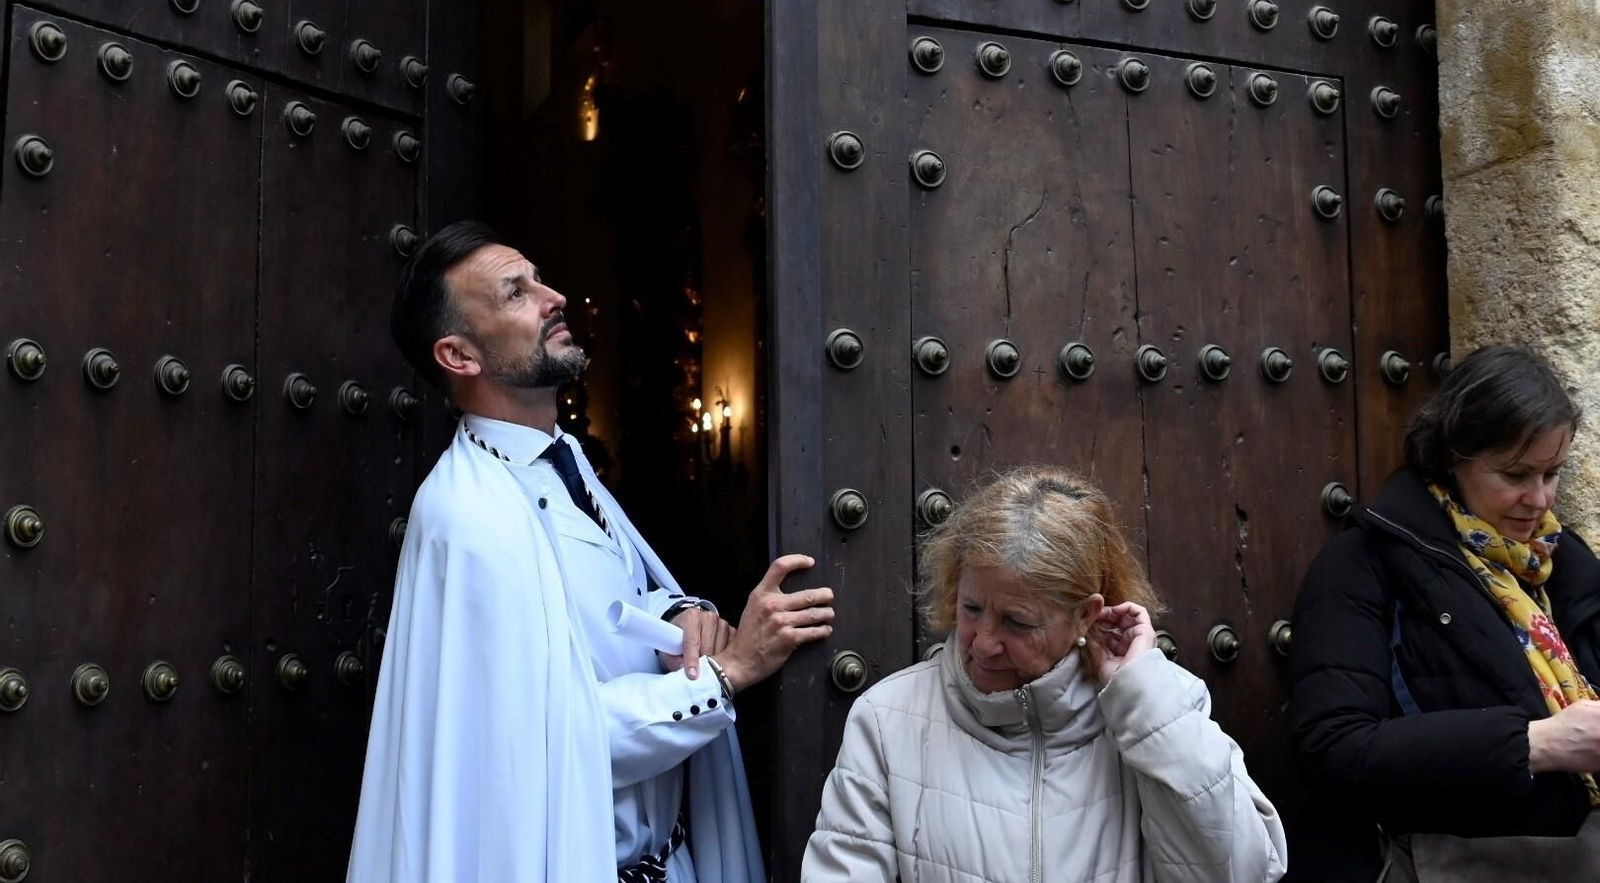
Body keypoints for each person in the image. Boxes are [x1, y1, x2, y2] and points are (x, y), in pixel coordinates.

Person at [346, 222, 836, 882]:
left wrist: (680, 619)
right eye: (517, 292)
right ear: (460, 356)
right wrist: (732, 670)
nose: (555, 297)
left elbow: (601, 612)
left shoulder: (564, 457)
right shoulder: (466, 517)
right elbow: (544, 740)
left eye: (539, 277)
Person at [802, 466, 1288, 882]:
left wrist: (1146, 706)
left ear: (1084, 615)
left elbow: (1240, 871)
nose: (984, 642)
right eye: (971, 608)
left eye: (1018, 622)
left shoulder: (1163, 705)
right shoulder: (889, 719)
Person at [1289, 343, 1600, 879]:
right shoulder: (1364, 563)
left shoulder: (1559, 558)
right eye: (1516, 475)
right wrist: (1536, 743)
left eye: (1552, 474)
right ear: (1455, 457)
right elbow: (1332, 748)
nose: (1541, 499)